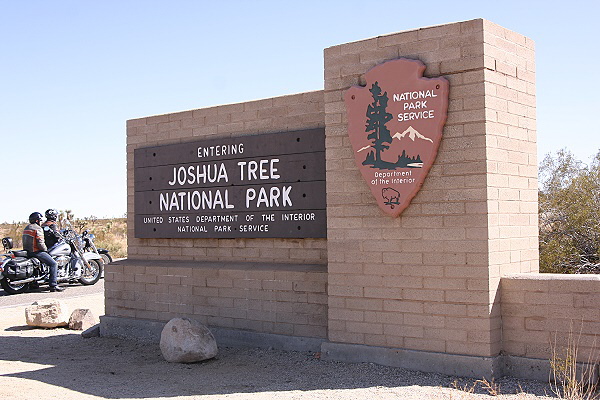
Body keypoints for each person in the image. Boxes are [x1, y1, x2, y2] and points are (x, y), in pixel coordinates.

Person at [22, 212, 64, 292]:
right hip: (36, 251)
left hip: (27, 251)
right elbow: (40, 242)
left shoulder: (27, 228)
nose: (41, 221)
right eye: (40, 220)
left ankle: (33, 284)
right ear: (37, 220)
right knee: (53, 264)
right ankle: (53, 285)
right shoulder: (38, 228)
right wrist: (46, 250)